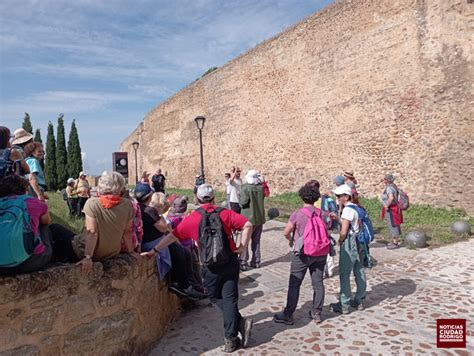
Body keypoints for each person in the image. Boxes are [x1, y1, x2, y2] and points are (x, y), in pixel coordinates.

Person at [142, 184, 254, 353]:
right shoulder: (225, 213)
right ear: (214, 198)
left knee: (213, 295)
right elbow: (248, 225)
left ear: (197, 199)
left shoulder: (193, 218)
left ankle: (239, 324)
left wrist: (153, 251)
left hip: (210, 266)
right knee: (230, 299)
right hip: (230, 260)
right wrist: (242, 246)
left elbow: (172, 236)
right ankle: (231, 338)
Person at [50, 171, 135, 274]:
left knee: (54, 229)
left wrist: (88, 257)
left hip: (87, 251)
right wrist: (131, 252)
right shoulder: (127, 205)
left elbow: (92, 232)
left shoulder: (93, 203)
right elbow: (127, 232)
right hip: (112, 252)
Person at [135, 184, 203, 300]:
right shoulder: (149, 210)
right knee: (181, 253)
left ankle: (190, 285)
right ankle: (183, 285)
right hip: (154, 241)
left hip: (147, 241)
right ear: (149, 196)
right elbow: (163, 227)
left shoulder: (137, 208)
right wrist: (160, 214)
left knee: (184, 253)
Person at [273, 183, 328, 325]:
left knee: (295, 283)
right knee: (318, 283)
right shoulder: (321, 213)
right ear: (316, 198)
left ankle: (288, 314)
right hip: (320, 252)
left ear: (302, 197)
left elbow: (286, 231)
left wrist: (292, 240)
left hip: (303, 253)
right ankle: (316, 312)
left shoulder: (298, 214)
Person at [0, 174, 53, 274]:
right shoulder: (32, 202)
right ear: (24, 188)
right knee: (44, 226)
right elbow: (47, 221)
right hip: (26, 263)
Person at [329, 184, 366, 314]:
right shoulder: (358, 208)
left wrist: (340, 240)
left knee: (344, 273)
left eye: (339, 196)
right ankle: (359, 300)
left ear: (346, 196)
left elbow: (344, 231)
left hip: (350, 243)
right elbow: (353, 224)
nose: (337, 198)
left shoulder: (347, 210)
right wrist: (339, 219)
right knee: (359, 270)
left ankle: (343, 304)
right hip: (361, 242)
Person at [239, 170, 265, 271]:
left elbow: (243, 202)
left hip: (248, 219)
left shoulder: (245, 188)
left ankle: (243, 262)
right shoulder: (261, 188)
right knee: (256, 241)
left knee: (244, 241)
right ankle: (256, 261)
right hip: (259, 217)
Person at [381, 174, 403, 249]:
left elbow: (391, 198)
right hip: (394, 208)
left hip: (391, 209)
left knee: (393, 225)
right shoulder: (393, 186)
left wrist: (386, 205)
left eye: (384, 179)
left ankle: (395, 243)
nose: (383, 180)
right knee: (395, 224)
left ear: (387, 180)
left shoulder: (389, 188)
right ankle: (394, 240)